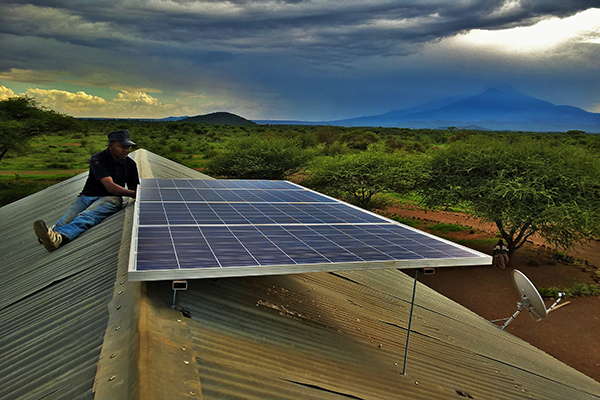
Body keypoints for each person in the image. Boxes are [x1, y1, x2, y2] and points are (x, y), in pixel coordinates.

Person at [34, 130, 139, 252]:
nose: (126, 150)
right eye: (122, 147)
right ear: (110, 145)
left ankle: (60, 238)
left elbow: (132, 188)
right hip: (87, 196)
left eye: (128, 147)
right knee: (66, 220)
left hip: (111, 198)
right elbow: (109, 185)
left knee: (87, 216)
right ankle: (50, 233)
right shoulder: (98, 159)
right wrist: (133, 194)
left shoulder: (130, 164)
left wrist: (137, 193)